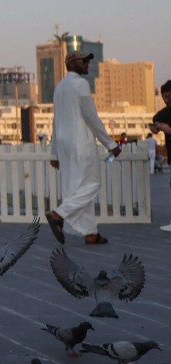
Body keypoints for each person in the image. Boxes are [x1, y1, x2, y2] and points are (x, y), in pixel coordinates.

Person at [47, 51, 120, 245]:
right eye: (84, 61)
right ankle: (58, 215)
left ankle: (90, 232)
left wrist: (54, 152)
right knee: (92, 183)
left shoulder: (60, 87)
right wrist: (111, 144)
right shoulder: (80, 84)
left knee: (76, 188)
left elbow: (56, 121)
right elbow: (91, 116)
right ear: (73, 64)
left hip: (64, 144)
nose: (88, 64)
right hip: (81, 142)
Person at [150, 80, 171, 230]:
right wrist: (156, 127)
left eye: (169, 96)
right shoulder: (165, 112)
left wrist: (168, 129)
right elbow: (156, 119)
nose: (167, 100)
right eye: (165, 97)